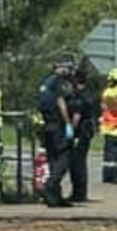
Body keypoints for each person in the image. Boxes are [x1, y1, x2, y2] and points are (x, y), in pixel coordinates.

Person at [36, 64, 75, 208]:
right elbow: (61, 102)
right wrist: (68, 124)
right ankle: (50, 185)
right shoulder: (58, 82)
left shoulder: (45, 83)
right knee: (64, 157)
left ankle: (54, 197)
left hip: (47, 125)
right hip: (58, 125)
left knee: (53, 158)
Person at [65, 69, 100, 202]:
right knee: (79, 162)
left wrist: (70, 131)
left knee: (77, 163)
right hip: (86, 131)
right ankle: (79, 192)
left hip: (80, 132)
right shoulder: (88, 95)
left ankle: (79, 193)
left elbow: (77, 116)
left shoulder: (79, 96)